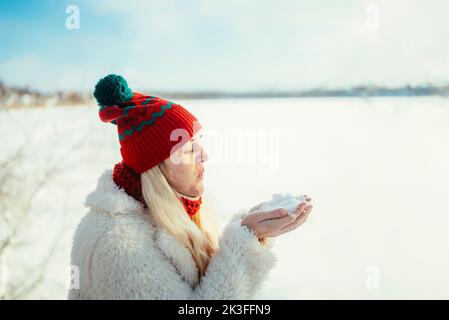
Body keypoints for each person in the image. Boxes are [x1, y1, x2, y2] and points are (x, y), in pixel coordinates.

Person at [68, 74, 313, 299]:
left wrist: (253, 231)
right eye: (188, 150)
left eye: (200, 143)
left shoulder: (170, 209)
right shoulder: (118, 243)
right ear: (156, 170)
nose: (204, 156)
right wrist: (243, 242)